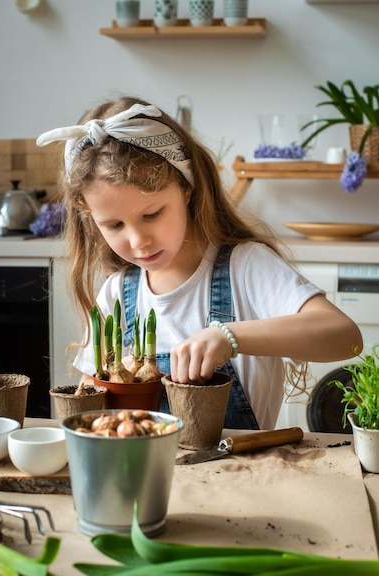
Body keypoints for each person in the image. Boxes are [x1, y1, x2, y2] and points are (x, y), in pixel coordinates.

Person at [37, 95, 363, 431]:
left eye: (152, 214)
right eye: (114, 225)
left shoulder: (245, 267)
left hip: (237, 474)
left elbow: (345, 336)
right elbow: (94, 409)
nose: (138, 241)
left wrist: (229, 336)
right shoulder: (116, 294)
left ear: (187, 188)